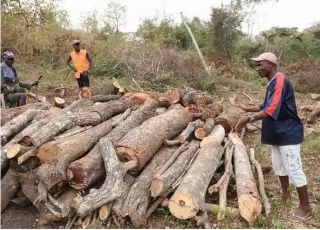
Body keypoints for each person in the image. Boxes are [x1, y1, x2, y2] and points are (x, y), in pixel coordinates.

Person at [235, 52, 312, 220]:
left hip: (288, 133)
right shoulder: (272, 83)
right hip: (277, 133)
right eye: (256, 65)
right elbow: (265, 105)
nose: (257, 69)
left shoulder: (280, 80)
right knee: (279, 166)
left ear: (271, 64)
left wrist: (248, 119)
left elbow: (270, 109)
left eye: (260, 65)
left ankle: (305, 207)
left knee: (293, 168)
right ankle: (285, 194)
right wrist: (246, 109)